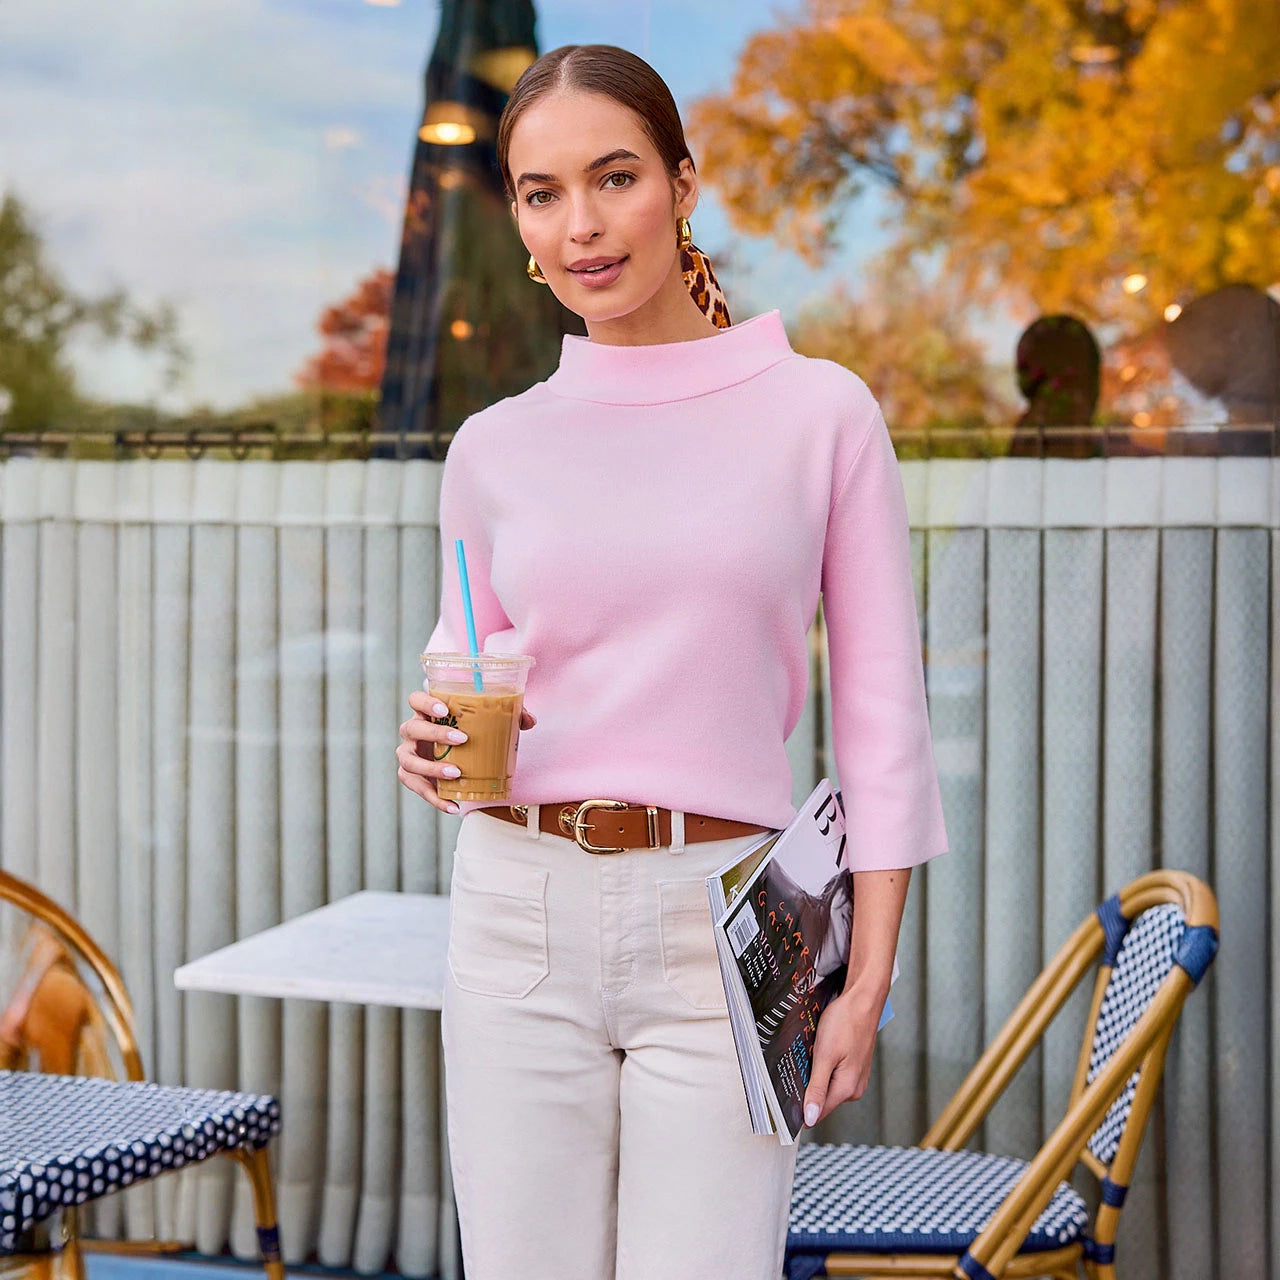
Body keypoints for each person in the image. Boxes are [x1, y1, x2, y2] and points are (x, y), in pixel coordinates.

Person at [394, 43, 949, 1280]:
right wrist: (427, 742)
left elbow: (880, 716)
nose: (580, 226)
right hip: (515, 911)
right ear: (521, 226)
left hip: (732, 923)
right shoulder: (492, 446)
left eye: (613, 177)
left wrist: (863, 975)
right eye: (541, 194)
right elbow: (463, 658)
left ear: (682, 184)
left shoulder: (819, 414)